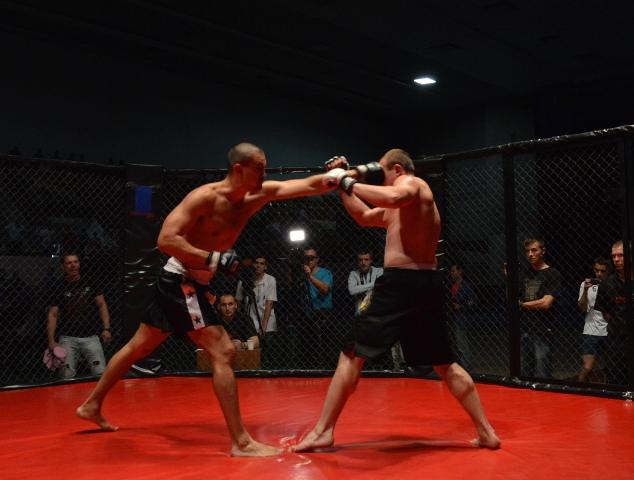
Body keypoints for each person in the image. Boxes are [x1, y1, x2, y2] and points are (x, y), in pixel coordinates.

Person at [76, 142, 339, 457]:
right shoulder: (204, 198)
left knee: (139, 346)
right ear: (239, 169)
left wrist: (337, 175)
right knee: (223, 351)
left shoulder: (257, 195)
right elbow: (165, 239)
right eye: (259, 168)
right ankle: (241, 442)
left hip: (193, 283)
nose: (265, 174)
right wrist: (212, 258)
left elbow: (307, 185)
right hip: (180, 281)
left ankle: (92, 404)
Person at [293, 150, 500, 452]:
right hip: (425, 285)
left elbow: (394, 196)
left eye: (384, 172)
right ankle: (486, 432)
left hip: (401, 284)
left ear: (398, 169)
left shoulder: (413, 185)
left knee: (352, 353)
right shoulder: (400, 206)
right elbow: (364, 216)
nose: (381, 179)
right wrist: (342, 186)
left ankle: (323, 430)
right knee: (445, 363)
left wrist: (347, 180)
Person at [47, 253, 112, 379]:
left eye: (75, 262)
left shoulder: (91, 282)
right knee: (66, 376)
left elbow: (102, 305)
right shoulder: (58, 287)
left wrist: (106, 329)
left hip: (91, 336)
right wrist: (51, 341)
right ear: (63, 267)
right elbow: (53, 314)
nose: (73, 265)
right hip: (67, 337)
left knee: (100, 373)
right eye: (69, 263)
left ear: (79, 264)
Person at [517, 238, 561, 379]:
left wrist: (522, 305)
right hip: (524, 328)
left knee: (542, 372)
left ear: (543, 251)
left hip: (542, 329)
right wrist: (508, 279)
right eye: (527, 251)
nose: (530, 254)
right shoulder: (525, 274)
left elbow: (546, 303)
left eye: (534, 250)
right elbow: (512, 297)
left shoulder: (552, 273)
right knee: (524, 372)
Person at [594, 240, 633, 385]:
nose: (616, 259)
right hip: (616, 341)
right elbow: (604, 311)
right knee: (615, 380)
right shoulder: (607, 284)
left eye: (621, 255)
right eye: (614, 256)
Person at [235, 255, 279, 367]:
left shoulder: (270, 280)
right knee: (252, 351)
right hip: (250, 321)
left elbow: (269, 303)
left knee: (268, 352)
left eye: (261, 263)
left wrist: (263, 327)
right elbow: (238, 302)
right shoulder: (244, 280)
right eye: (256, 263)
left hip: (267, 322)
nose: (258, 266)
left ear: (265, 267)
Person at [297, 247, 335, 369]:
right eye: (306, 258)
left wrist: (309, 276)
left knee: (323, 347)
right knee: (307, 348)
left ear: (317, 259)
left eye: (311, 258)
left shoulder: (325, 272)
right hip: (306, 314)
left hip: (323, 313)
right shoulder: (301, 274)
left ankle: (325, 368)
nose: (309, 260)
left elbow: (325, 289)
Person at [576, 257, 610, 382]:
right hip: (591, 331)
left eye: (603, 271)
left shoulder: (613, 284)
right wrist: (585, 290)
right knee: (587, 367)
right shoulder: (586, 285)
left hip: (609, 331)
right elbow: (582, 307)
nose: (599, 274)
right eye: (596, 270)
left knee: (610, 368)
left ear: (608, 271)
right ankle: (579, 390)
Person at [449, 263, 477, 371]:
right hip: (453, 318)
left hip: (462, 318)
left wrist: (461, 306)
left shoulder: (466, 286)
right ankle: (460, 363)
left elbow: (473, 302)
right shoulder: (451, 285)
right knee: (457, 343)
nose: (451, 273)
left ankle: (466, 365)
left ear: (460, 271)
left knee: (462, 343)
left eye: (453, 271)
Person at [347, 250, 383, 316]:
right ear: (357, 262)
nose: (363, 263)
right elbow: (352, 290)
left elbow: (381, 287)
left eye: (366, 259)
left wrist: (359, 288)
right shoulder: (353, 274)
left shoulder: (379, 271)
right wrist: (374, 284)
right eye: (360, 260)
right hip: (360, 313)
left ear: (371, 260)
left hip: (377, 313)